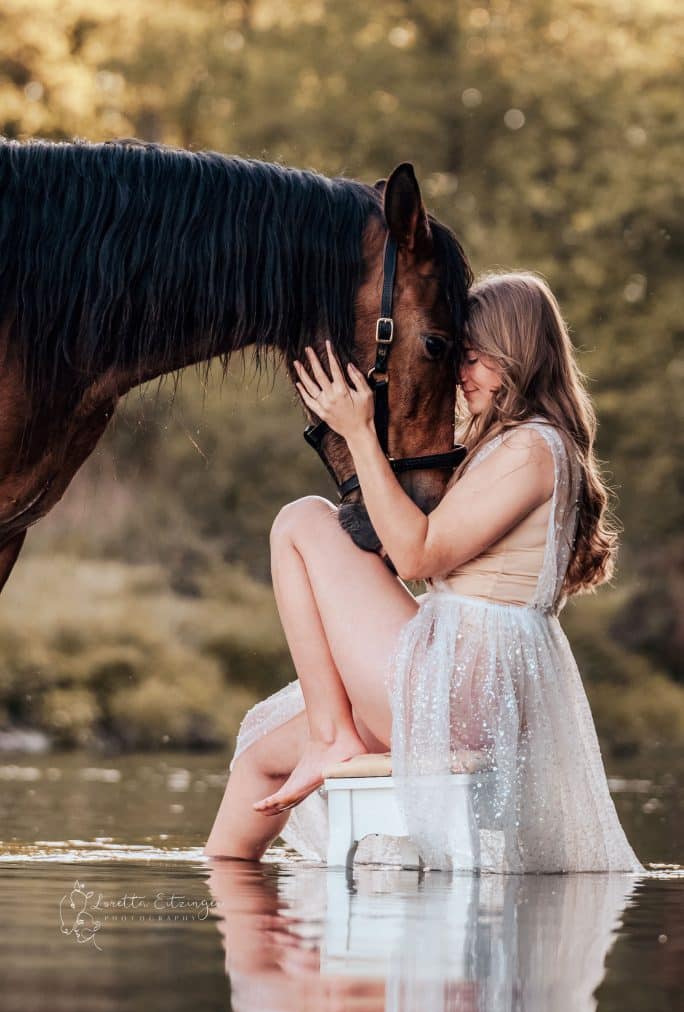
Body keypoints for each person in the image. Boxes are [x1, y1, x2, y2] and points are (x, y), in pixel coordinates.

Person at [204, 271, 645, 874]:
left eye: (473, 359)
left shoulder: (534, 447)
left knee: (302, 520)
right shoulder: (504, 445)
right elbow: (412, 552)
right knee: (260, 756)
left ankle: (333, 734)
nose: (461, 375)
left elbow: (417, 556)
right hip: (451, 676)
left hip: (464, 688)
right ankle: (236, 916)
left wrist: (357, 430)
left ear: (515, 354)